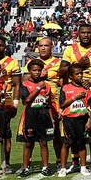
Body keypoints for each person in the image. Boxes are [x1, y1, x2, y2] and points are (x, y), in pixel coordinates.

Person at [59, 23, 91, 173]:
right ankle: (75, 162)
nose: (86, 35)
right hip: (73, 94)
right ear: (78, 34)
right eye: (83, 32)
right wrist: (78, 64)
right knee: (72, 129)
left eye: (88, 32)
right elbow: (61, 71)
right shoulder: (70, 49)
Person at [27, 37, 63, 171]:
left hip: (52, 102)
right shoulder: (32, 63)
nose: (42, 48)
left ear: (52, 47)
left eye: (46, 46)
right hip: (35, 102)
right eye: (40, 45)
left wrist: (47, 76)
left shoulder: (58, 63)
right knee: (30, 134)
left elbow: (63, 83)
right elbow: (26, 80)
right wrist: (40, 76)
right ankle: (28, 164)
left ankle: (59, 161)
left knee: (55, 133)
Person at [17, 59, 55, 177]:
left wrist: (52, 119)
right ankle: (25, 167)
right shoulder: (24, 85)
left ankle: (45, 167)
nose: (37, 72)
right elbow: (27, 101)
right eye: (34, 70)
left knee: (43, 142)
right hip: (30, 115)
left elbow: (48, 105)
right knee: (28, 143)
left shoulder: (46, 86)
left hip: (43, 115)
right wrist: (38, 88)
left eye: (39, 70)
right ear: (29, 71)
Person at [0, 36, 21, 175]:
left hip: (6, 104)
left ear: (5, 46)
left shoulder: (12, 63)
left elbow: (17, 84)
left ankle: (6, 164)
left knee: (6, 135)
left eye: (1, 45)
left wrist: (15, 104)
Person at [57, 64, 91, 177]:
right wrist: (75, 97)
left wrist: (89, 120)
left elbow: (89, 106)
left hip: (82, 119)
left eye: (81, 73)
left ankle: (83, 167)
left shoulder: (86, 88)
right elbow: (62, 104)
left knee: (82, 143)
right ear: (71, 76)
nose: (80, 75)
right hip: (68, 119)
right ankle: (63, 168)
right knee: (66, 144)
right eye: (77, 74)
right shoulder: (65, 88)